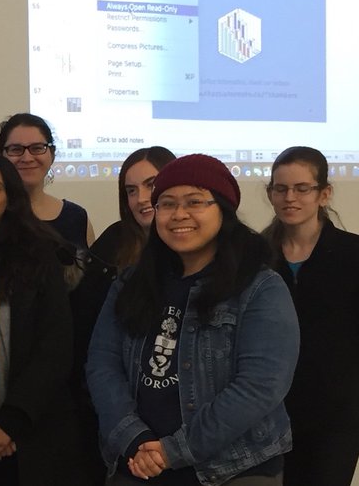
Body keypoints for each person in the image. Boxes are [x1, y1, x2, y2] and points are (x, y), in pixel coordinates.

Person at [86, 154, 298, 485]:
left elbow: (260, 385)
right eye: (167, 204)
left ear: (223, 211)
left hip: (233, 467)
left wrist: (174, 450)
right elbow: (102, 364)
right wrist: (133, 439)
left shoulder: (260, 287)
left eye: (195, 202)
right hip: (139, 462)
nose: (179, 214)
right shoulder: (130, 283)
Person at [0, 153, 85, 486]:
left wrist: (10, 421)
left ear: (10, 200)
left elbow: (55, 345)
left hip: (33, 426)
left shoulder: (38, 254)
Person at [72, 146, 176, 482]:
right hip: (123, 417)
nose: (141, 198)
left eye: (151, 184)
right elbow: (93, 340)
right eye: (131, 190)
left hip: (182, 421)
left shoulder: (200, 254)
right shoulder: (114, 244)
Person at [260, 146, 359, 486]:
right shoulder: (255, 257)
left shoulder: (352, 254)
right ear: (270, 193)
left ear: (324, 193)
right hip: (267, 415)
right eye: (281, 188)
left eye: (302, 188)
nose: (290, 197)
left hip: (336, 417)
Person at [0, 113, 94, 252]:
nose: (27, 158)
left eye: (37, 148)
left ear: (52, 154)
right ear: (1, 156)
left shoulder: (77, 218)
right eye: (16, 149)